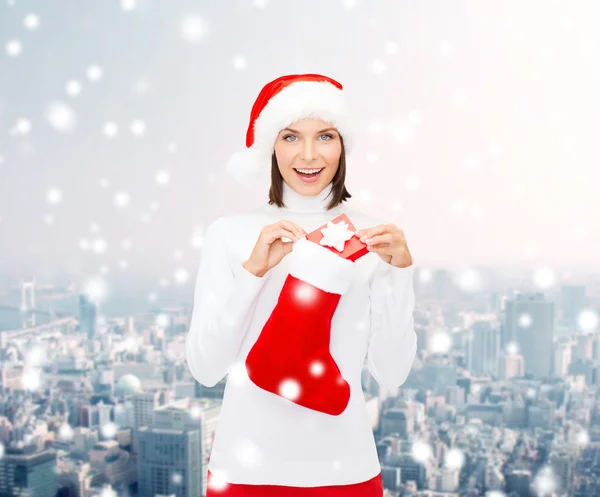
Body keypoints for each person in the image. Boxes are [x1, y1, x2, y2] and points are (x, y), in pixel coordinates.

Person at [186, 74, 417, 496]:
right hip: (244, 472)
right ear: (270, 145)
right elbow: (205, 368)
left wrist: (400, 275)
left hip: (346, 469)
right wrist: (253, 273)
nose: (309, 155)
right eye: (291, 136)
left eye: (325, 135)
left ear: (343, 143)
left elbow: (392, 371)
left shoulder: (373, 235)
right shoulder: (230, 233)